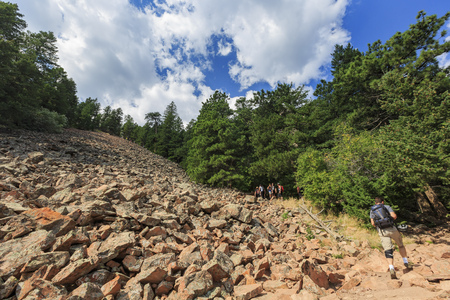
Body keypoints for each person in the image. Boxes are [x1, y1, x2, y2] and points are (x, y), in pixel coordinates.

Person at [370, 197, 413, 279]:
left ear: (375, 203)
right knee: (400, 245)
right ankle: (405, 262)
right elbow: (394, 216)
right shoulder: (386, 206)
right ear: (382, 202)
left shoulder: (372, 210)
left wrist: (380, 225)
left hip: (382, 232)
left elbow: (372, 223)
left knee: (388, 250)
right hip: (392, 229)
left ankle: (391, 268)